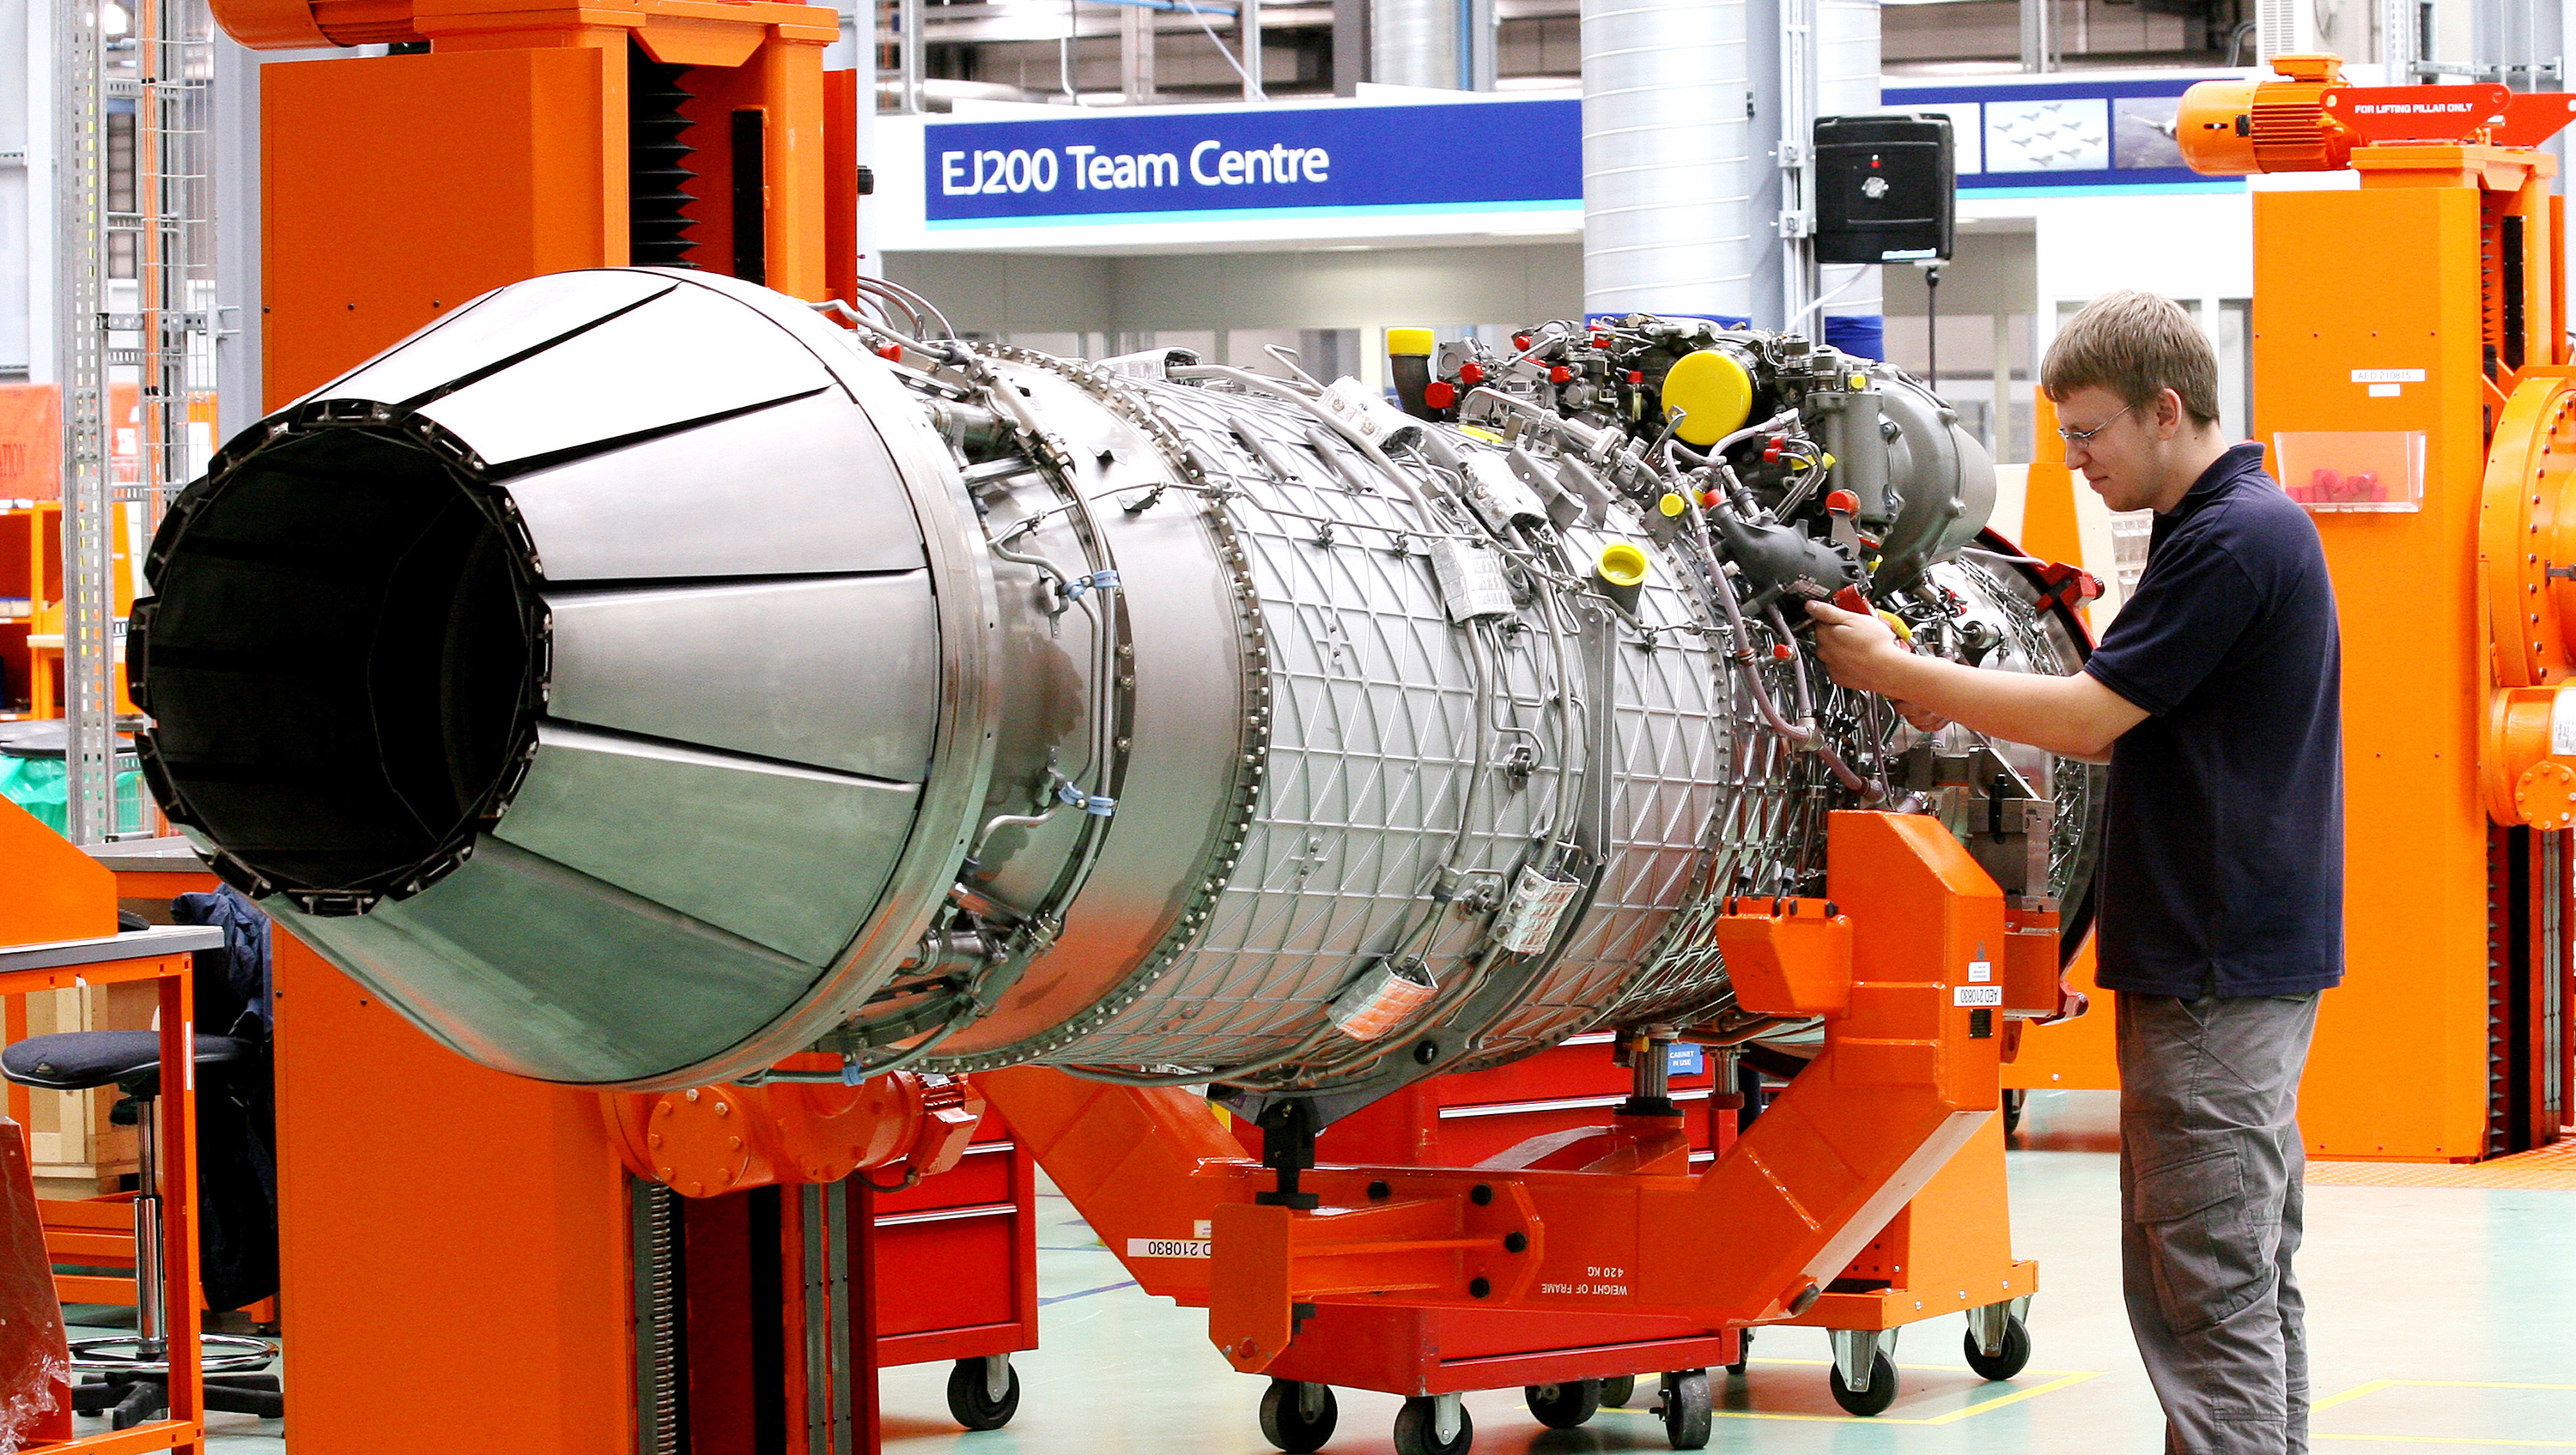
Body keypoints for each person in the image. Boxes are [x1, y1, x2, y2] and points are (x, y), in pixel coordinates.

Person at [1804, 289, 2342, 1455]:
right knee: (2230, 1270)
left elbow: (2094, 718)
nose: (2077, 460)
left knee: (2204, 1278)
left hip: (2214, 963)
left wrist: (1900, 672)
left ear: (2165, 410)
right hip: (2219, 956)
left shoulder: (2235, 538)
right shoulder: (2233, 528)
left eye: (2090, 433)